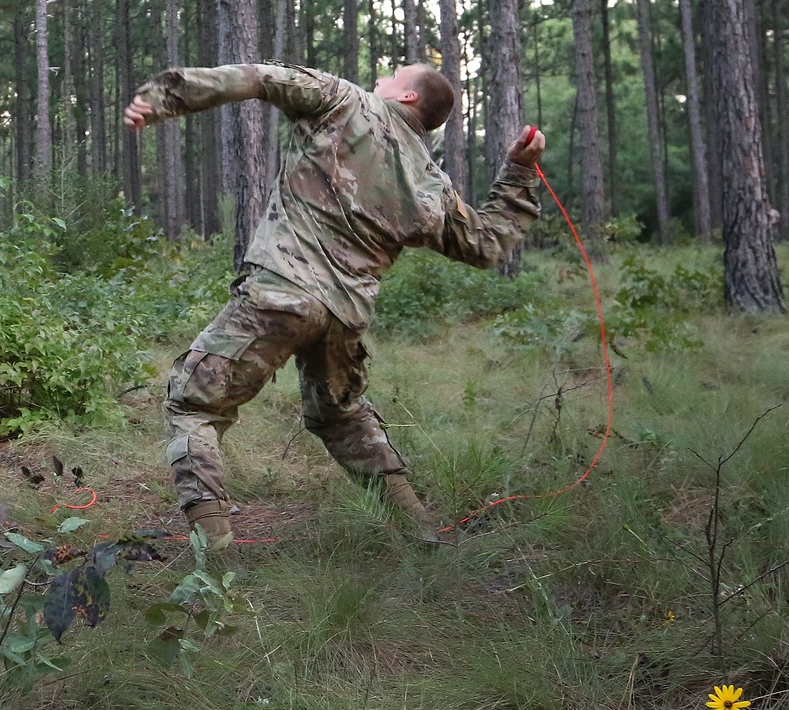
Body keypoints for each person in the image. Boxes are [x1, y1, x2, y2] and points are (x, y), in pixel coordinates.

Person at [124, 62, 545, 543]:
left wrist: (163, 97)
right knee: (342, 419)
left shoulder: (343, 100)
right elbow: (486, 244)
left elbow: (258, 78)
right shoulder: (431, 183)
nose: (380, 80)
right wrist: (520, 171)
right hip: (345, 319)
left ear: (407, 97)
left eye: (392, 77)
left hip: (281, 293)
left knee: (194, 405)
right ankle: (422, 534)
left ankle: (213, 557)